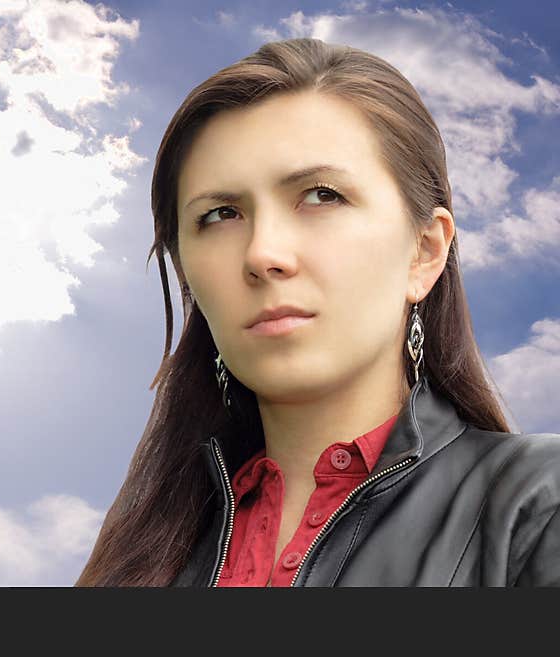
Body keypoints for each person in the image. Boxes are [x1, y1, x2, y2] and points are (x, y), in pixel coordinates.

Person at [75, 37, 560, 586]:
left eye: (322, 195)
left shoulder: (537, 507)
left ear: (424, 251)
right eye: (219, 214)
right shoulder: (136, 562)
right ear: (187, 273)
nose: (263, 254)